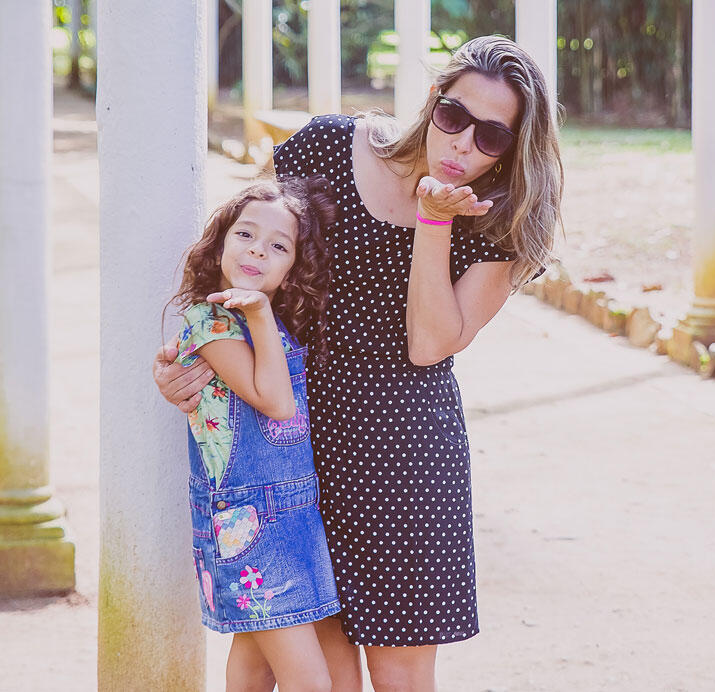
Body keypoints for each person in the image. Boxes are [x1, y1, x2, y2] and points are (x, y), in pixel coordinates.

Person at [155, 35, 562, 691]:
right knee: (312, 668)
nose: (462, 143)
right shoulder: (324, 149)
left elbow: (429, 344)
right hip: (293, 448)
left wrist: (434, 220)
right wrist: (187, 364)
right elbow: (247, 263)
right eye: (454, 116)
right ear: (432, 100)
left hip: (403, 461)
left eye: (490, 136)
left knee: (400, 675)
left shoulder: (499, 220)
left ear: (511, 149)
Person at [170, 177, 341, 692]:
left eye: (278, 246)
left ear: (291, 272)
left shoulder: (271, 324)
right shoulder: (210, 323)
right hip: (249, 523)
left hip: (294, 515)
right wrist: (261, 313)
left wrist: (265, 316)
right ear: (220, 243)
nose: (257, 250)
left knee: (255, 664)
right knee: (310, 682)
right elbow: (276, 402)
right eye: (245, 234)